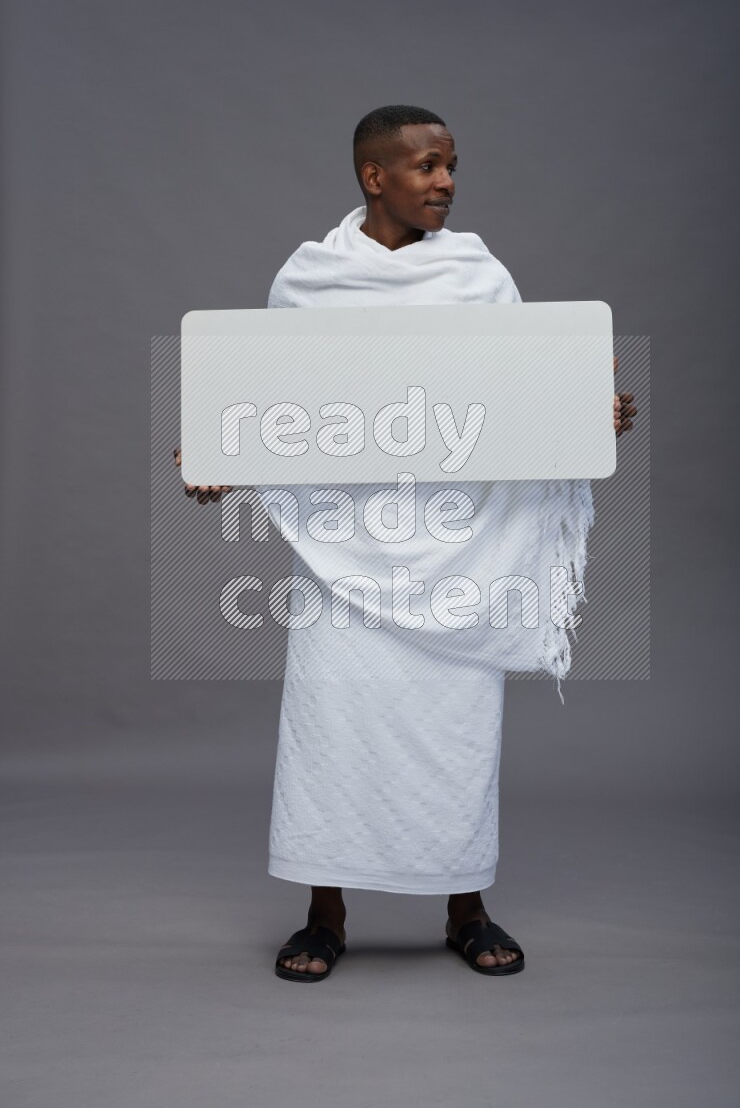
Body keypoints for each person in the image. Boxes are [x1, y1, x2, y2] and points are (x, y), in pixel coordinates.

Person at [175, 105, 636, 982]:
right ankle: (324, 915)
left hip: (457, 545)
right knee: (331, 724)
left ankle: (465, 905)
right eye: (426, 167)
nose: (446, 182)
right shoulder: (309, 280)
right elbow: (277, 403)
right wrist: (220, 457)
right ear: (373, 176)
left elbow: (518, 394)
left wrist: (588, 415)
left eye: (452, 165)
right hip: (343, 544)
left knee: (455, 725)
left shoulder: (479, 275)